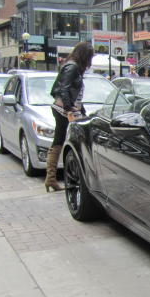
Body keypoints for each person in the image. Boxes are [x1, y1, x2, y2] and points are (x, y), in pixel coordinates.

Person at [46, 42, 94, 192]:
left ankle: (51, 178)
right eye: (89, 57)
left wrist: (79, 110)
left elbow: (68, 91)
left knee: (60, 140)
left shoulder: (72, 66)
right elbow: (63, 89)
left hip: (66, 109)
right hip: (64, 111)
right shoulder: (72, 67)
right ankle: (54, 178)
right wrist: (69, 109)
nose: (89, 61)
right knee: (67, 140)